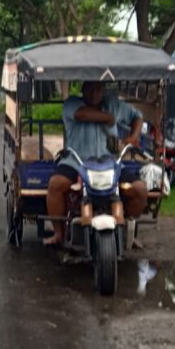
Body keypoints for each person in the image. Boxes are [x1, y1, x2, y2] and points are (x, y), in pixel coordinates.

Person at [45, 81, 148, 246]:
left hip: (110, 164)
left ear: (103, 90)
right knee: (55, 185)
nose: (94, 94)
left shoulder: (113, 104)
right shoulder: (72, 103)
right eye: (90, 89)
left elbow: (137, 117)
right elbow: (82, 115)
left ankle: (128, 232)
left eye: (98, 89)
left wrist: (133, 137)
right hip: (77, 162)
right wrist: (109, 118)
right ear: (83, 90)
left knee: (140, 190)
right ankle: (59, 233)